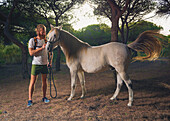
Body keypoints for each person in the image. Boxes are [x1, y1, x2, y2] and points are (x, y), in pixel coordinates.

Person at [27, 24, 53, 107]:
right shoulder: (32, 40)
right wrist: (41, 48)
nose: (44, 32)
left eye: (45, 30)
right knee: (32, 82)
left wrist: (50, 61)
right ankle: (30, 100)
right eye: (43, 31)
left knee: (44, 82)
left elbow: (50, 53)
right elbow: (31, 53)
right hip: (36, 64)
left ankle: (44, 97)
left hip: (45, 64)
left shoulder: (46, 41)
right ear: (38, 31)